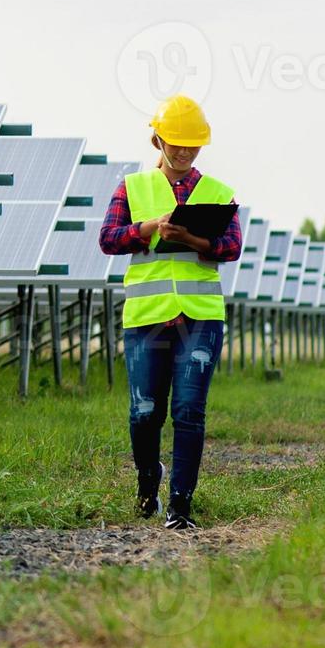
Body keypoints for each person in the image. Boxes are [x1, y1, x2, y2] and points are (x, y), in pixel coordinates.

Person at [98, 94, 242, 529]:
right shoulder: (132, 187)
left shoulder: (218, 193)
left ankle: (180, 505)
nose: (183, 152)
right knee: (145, 412)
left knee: (189, 410)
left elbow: (231, 246)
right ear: (157, 139)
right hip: (147, 316)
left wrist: (195, 240)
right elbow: (109, 238)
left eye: (192, 145)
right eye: (175, 143)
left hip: (200, 316)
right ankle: (148, 482)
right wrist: (150, 229)